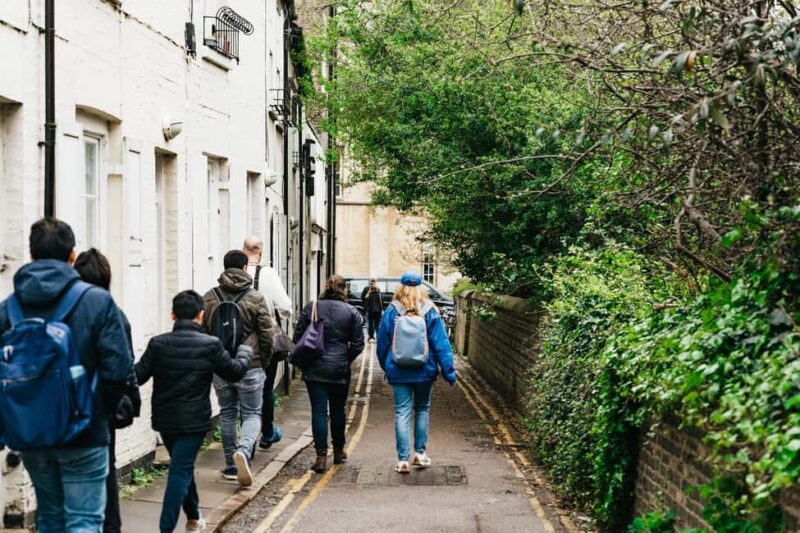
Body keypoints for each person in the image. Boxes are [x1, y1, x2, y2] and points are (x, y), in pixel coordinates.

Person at [0, 218, 133, 531]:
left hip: (32, 433)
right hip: (85, 432)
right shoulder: (98, 301)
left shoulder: (9, 309)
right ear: (73, 256)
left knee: (51, 518)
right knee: (84, 520)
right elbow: (118, 369)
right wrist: (108, 413)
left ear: (31, 256)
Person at [135, 290, 252, 533]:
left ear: (172, 315)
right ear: (201, 315)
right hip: (194, 422)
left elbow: (137, 375)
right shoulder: (210, 345)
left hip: (165, 421)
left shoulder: (158, 344)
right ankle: (165, 529)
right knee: (179, 470)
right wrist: (244, 353)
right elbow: (235, 372)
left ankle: (194, 518)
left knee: (182, 466)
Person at [74, 248, 142, 533]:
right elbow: (123, 366)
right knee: (105, 474)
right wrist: (129, 401)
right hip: (101, 410)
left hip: (62, 408)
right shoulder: (115, 314)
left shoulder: (64, 311)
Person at [203, 250, 273, 487]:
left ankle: (231, 466)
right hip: (250, 366)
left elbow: (204, 333)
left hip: (220, 366)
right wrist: (265, 361)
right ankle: (244, 451)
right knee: (252, 413)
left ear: (224, 268)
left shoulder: (209, 298)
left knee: (227, 413)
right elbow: (266, 333)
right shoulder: (255, 298)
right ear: (245, 269)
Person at [376, 271, 457, 474]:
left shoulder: (392, 310)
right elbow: (441, 345)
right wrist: (449, 372)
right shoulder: (430, 310)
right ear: (421, 288)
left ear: (401, 288)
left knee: (401, 412)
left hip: (398, 370)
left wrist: (387, 366)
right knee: (421, 409)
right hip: (424, 371)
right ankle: (420, 454)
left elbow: (382, 344)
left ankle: (402, 459)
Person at [293, 275, 365, 473]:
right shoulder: (352, 312)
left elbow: (298, 337)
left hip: (314, 368)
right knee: (338, 410)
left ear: (326, 288)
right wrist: (344, 357)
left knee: (318, 411)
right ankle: (339, 451)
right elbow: (359, 344)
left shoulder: (312, 307)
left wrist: (307, 360)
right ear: (344, 291)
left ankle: (321, 456)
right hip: (339, 369)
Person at [242, 236, 292, 450]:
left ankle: (245, 436)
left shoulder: (234, 272)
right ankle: (267, 432)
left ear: (243, 250)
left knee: (241, 389)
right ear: (260, 253)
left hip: (239, 339)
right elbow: (286, 306)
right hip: (265, 340)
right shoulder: (267, 274)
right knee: (266, 387)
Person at [360, 277, 384, 342]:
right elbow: (364, 297)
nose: (372, 283)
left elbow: (381, 300)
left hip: (377, 310)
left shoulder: (378, 290)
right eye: (372, 281)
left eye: (374, 282)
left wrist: (382, 309)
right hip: (369, 309)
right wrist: (370, 291)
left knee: (377, 324)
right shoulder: (367, 289)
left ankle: (378, 337)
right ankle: (371, 337)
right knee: (370, 324)